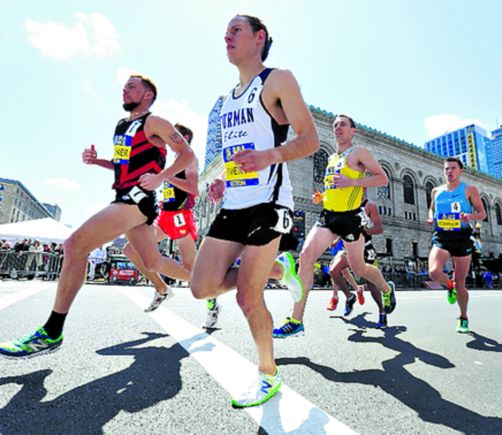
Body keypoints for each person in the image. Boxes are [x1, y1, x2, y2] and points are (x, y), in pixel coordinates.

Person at [0, 74, 195, 358]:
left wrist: (160, 178)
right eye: (124, 87)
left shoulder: (155, 122)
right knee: (152, 261)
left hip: (137, 199)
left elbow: (187, 155)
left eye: (132, 87)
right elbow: (122, 164)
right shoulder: (122, 126)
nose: (125, 91)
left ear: (148, 95)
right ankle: (201, 280)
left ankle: (52, 331)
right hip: (125, 196)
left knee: (74, 245)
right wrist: (97, 161)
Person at [190, 15, 319, 408]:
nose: (226, 36)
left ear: (259, 37)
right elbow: (237, 155)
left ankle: (268, 374)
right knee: (201, 287)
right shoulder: (229, 99)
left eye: (236, 31)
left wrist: (269, 156)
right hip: (234, 203)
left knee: (248, 295)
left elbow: (310, 140)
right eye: (225, 32)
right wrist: (223, 180)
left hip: (270, 202)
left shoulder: (277, 80)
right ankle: (280, 271)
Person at [273, 114, 396, 339]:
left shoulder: (358, 152)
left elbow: (382, 179)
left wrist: (353, 181)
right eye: (335, 125)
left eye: (342, 125)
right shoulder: (332, 158)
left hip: (350, 218)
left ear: (352, 131)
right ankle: (296, 320)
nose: (337, 128)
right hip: (328, 216)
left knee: (359, 269)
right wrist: (322, 196)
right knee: (306, 257)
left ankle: (387, 289)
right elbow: (335, 187)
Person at [122, 123, 199, 309]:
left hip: (180, 215)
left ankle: (210, 293)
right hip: (164, 215)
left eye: (173, 135)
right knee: (130, 249)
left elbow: (193, 189)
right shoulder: (171, 160)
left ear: (184, 139)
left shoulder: (189, 158)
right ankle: (161, 288)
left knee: (192, 272)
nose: (168, 137)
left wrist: (164, 176)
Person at [427, 157, 486, 333]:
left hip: (462, 238)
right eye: (446, 169)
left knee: (461, 284)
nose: (449, 171)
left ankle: (463, 317)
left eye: (453, 168)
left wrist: (470, 217)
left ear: (461, 171)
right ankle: (449, 285)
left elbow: (482, 213)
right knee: (434, 273)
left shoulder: (469, 189)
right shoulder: (436, 191)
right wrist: (430, 217)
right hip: (442, 237)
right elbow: (432, 208)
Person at [327, 198, 388, 327]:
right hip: (349, 247)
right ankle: (350, 297)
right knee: (333, 270)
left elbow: (379, 228)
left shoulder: (369, 205)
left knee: (371, 284)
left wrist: (362, 232)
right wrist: (336, 240)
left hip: (366, 247)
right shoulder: (347, 206)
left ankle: (382, 311)